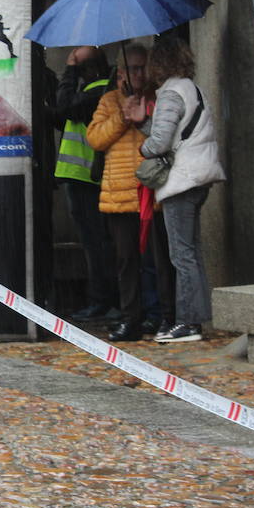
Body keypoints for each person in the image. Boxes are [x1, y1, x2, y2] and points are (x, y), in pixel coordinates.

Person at [126, 35, 225, 343]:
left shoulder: (171, 93)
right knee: (191, 253)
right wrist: (143, 122)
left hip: (183, 179)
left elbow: (160, 142)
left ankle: (187, 323)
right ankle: (195, 319)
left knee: (181, 254)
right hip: (199, 175)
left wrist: (142, 149)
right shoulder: (192, 89)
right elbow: (176, 132)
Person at [86, 44, 175, 341]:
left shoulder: (159, 97)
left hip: (153, 190)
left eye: (142, 67)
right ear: (121, 72)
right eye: (132, 68)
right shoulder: (109, 100)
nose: (138, 74)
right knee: (126, 262)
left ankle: (164, 316)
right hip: (120, 193)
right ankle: (130, 319)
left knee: (159, 261)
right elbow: (95, 139)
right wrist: (122, 117)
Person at [53, 45, 118, 321]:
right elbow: (62, 116)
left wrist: (68, 70)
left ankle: (103, 301)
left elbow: (65, 107)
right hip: (81, 177)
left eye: (78, 69)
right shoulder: (93, 91)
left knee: (97, 244)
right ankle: (103, 300)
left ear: (88, 69)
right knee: (95, 243)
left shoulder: (98, 91)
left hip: (88, 178)